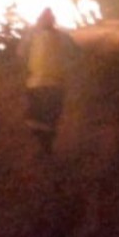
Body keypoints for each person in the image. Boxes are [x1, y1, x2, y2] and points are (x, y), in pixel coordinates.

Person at [18, 8, 77, 156]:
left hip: (37, 84)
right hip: (54, 85)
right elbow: (76, 54)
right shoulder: (62, 37)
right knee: (48, 118)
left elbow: (20, 53)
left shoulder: (32, 36)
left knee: (38, 117)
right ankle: (46, 147)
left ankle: (45, 147)